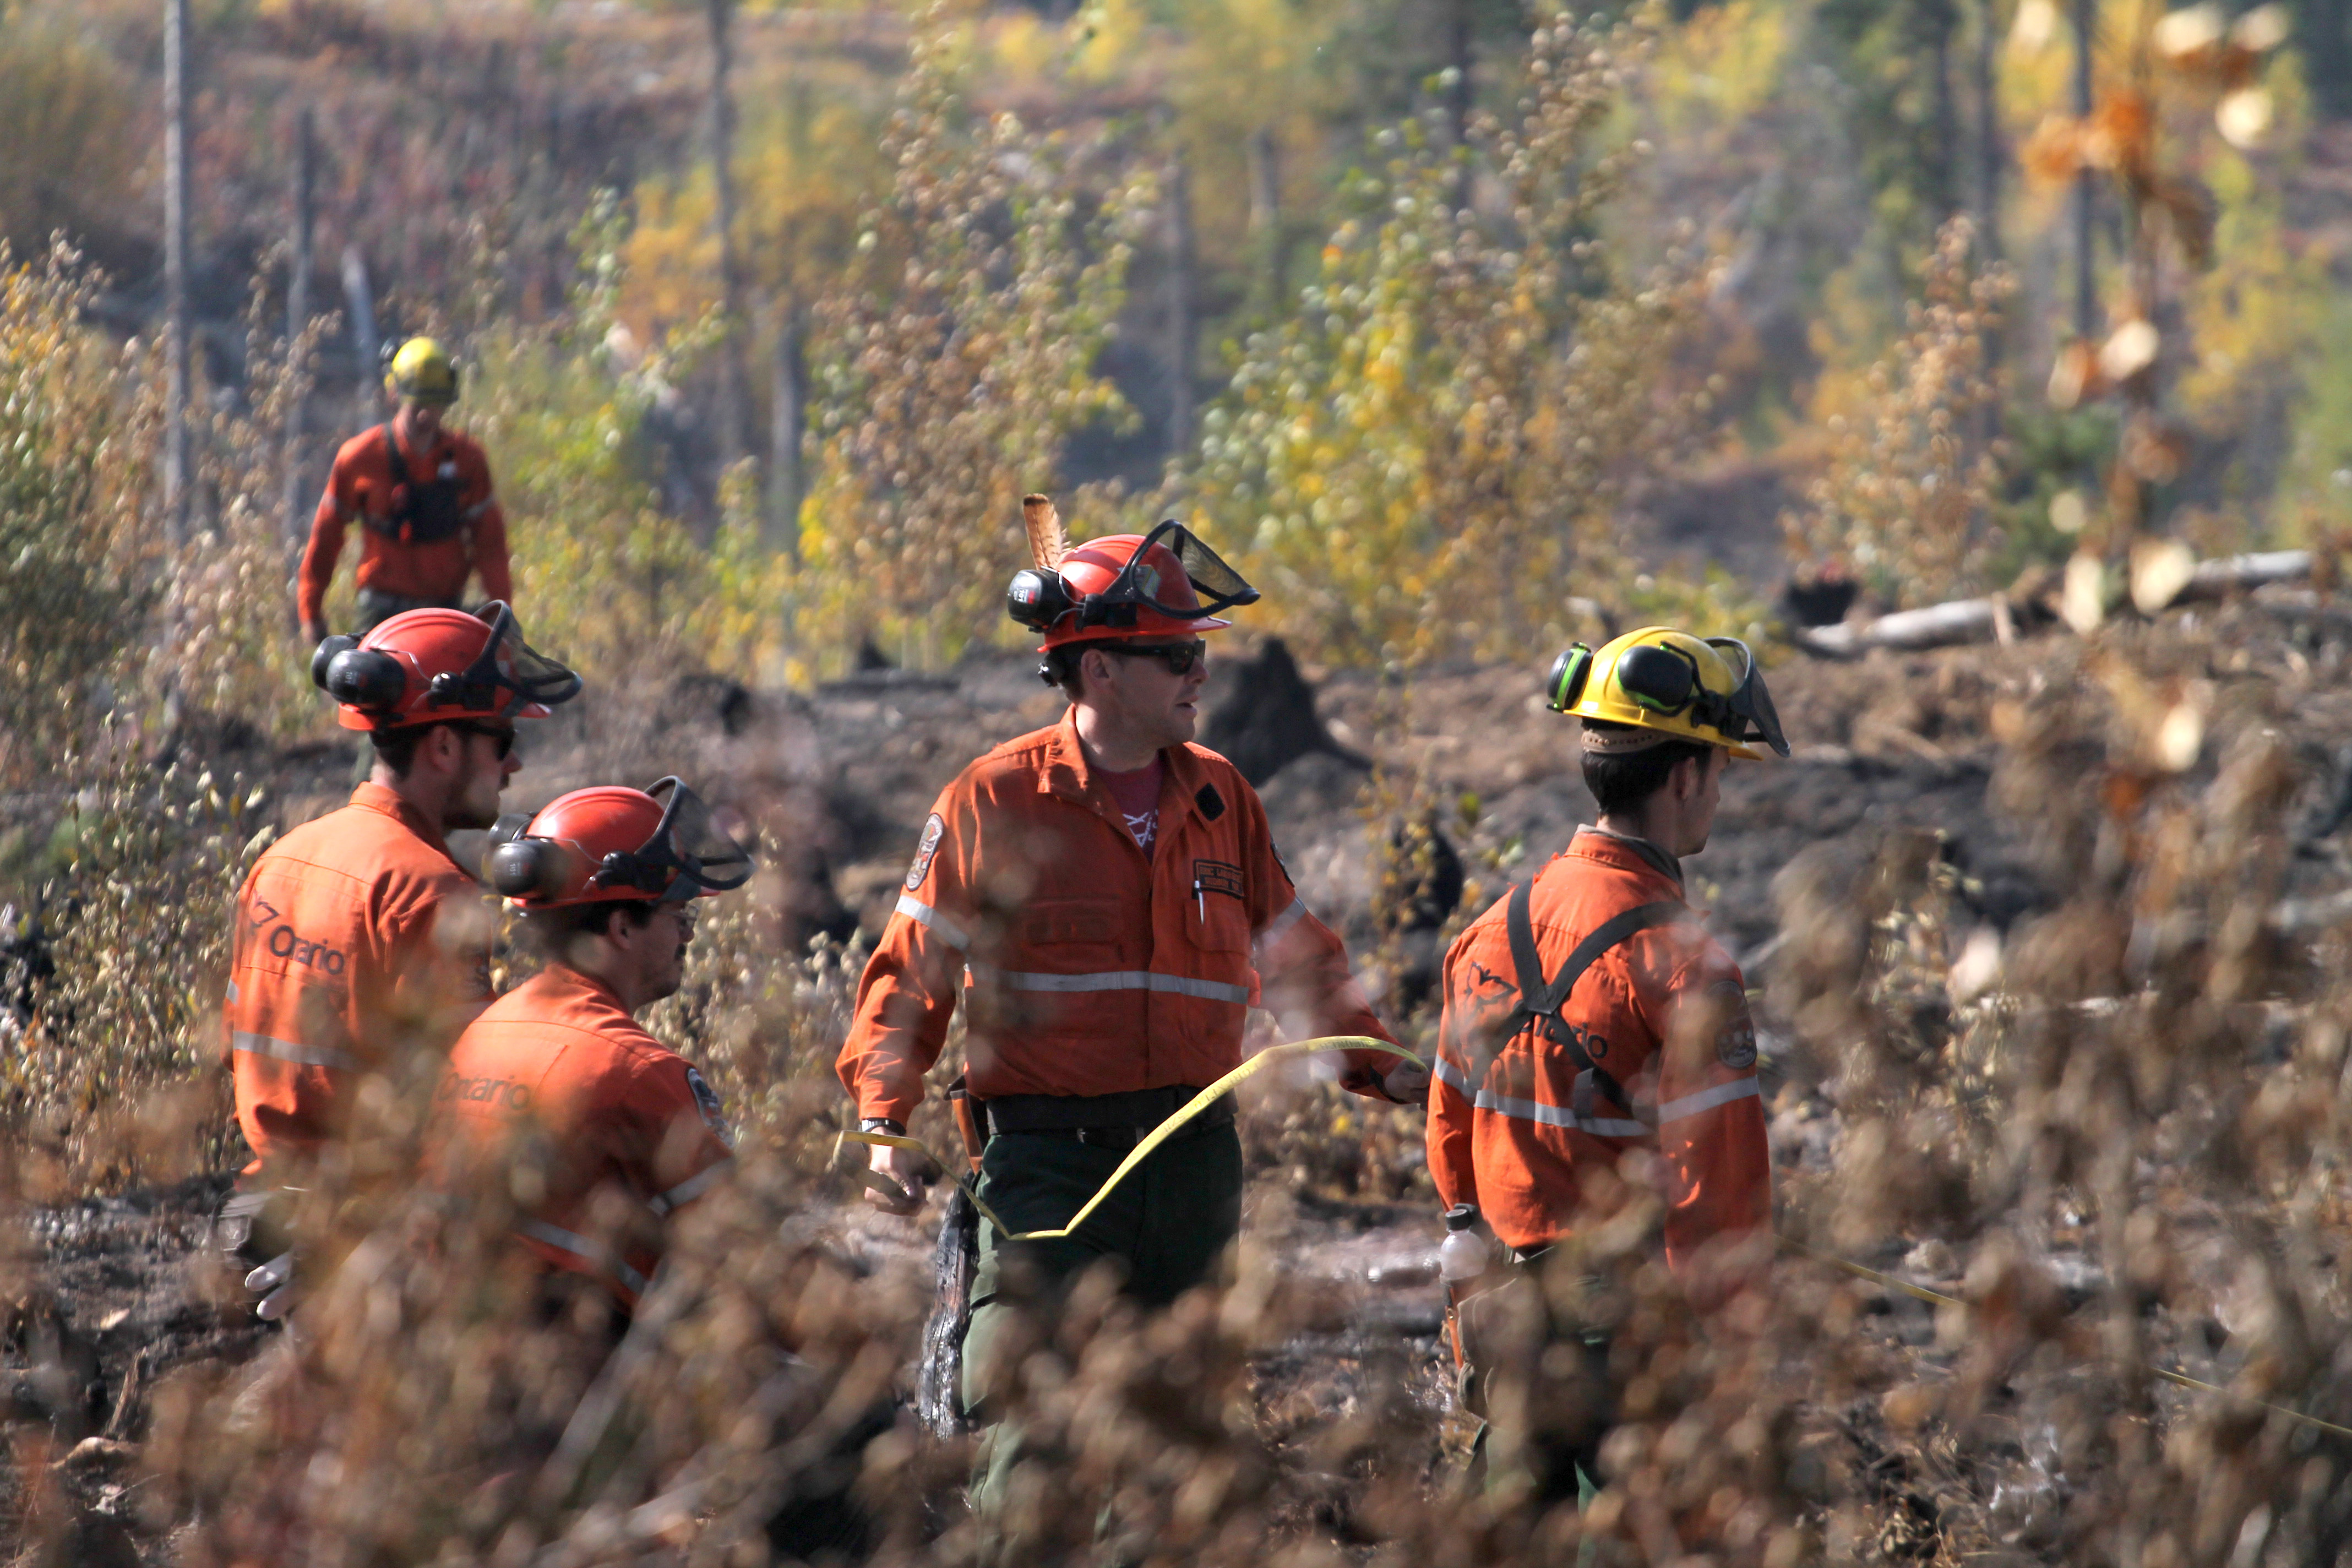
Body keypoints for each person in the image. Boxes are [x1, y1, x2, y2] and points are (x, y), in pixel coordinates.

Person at [836, 513, 1427, 1451]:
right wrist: (882, 1122)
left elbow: (1296, 954)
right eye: (1175, 654)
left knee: (1175, 1446)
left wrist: (1379, 1061)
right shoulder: (993, 798)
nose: (1201, 672)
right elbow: (913, 970)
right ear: (1100, 668)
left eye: (1197, 652)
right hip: (1050, 1170)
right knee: (1031, 1434)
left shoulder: (1220, 794)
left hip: (1194, 1168)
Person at [1426, 626, 1784, 1507]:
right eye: (1720, 768)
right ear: (1685, 775)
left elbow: (1452, 1131)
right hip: (1625, 1324)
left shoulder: (1489, 933)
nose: (1718, 790)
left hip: (1508, 1305)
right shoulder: (1686, 967)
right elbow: (1720, 1194)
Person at [215, 602, 581, 1317]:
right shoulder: (430, 888)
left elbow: (239, 1052)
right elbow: (472, 1108)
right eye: (500, 738)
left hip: (260, 1214)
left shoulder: (283, 858)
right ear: (443, 746)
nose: (515, 762)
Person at [433, 778, 750, 1320]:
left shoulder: (481, 1034)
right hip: (571, 1376)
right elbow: (750, 1253)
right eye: (681, 918)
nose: (688, 938)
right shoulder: (640, 1071)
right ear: (624, 925)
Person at [297, 337, 511, 646]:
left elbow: (491, 546)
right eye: (419, 404)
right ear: (394, 393)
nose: (427, 415)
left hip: (445, 612)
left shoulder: (468, 460)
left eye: (436, 404)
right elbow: (326, 539)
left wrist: (502, 616)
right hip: (381, 616)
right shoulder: (359, 459)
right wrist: (311, 611)